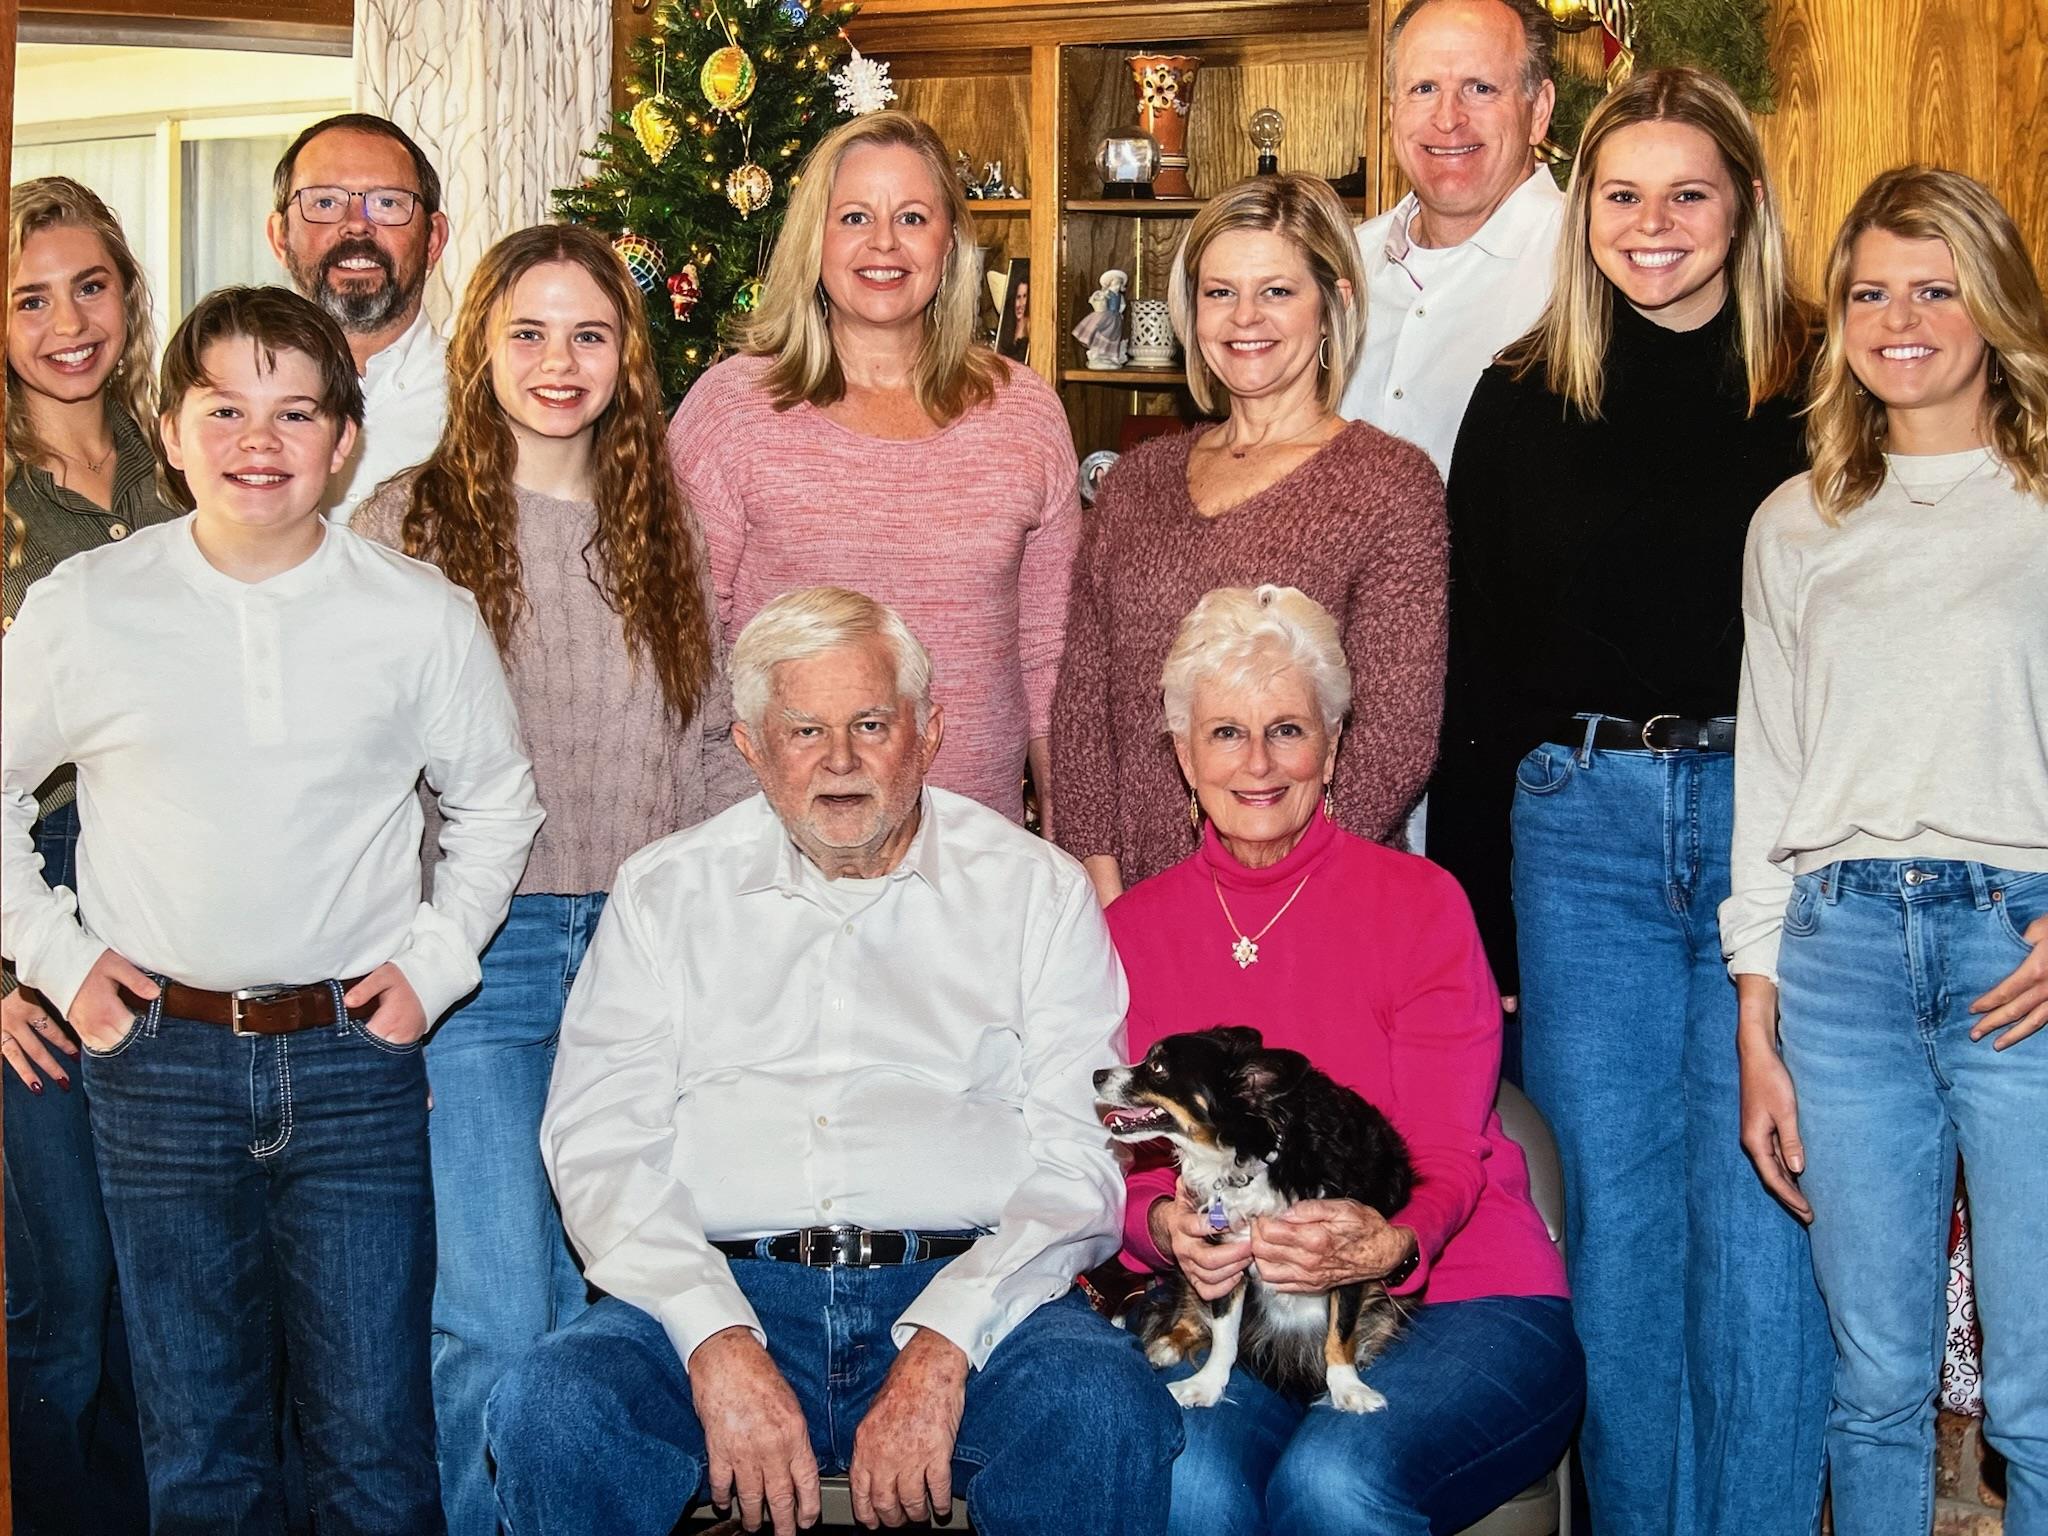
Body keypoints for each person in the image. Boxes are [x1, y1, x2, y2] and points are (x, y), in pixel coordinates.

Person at [0, 285, 543, 1533]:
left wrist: (434, 966)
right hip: (157, 1065)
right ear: (169, 430)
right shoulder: (86, 605)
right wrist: (57, 959)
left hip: (354, 1062)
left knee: (372, 1445)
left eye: (296, 412)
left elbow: (498, 805)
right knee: (201, 1447)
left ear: (343, 442)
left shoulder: (417, 612)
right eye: (225, 410)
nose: (260, 441)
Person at [485, 587, 1180, 1536]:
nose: (840, 760)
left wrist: (945, 1343)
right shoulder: (665, 892)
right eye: (805, 730)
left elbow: (1080, 1163)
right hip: (720, 1284)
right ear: (751, 748)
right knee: (554, 1410)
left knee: (1100, 1408)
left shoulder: (1035, 892)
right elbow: (600, 1147)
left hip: (971, 1284)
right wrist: (715, 1336)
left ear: (929, 733)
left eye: (871, 724)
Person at [1428, 69, 1832, 1534]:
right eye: (1621, 195)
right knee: (1608, 1231)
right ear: (1583, 210)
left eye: (1687, 194)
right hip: (1576, 834)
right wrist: (1483, 927)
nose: (1651, 224)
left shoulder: (1826, 386)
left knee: (1767, 1216)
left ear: (1744, 206)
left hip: (1771, 833)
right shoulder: (1520, 396)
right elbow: (1478, 679)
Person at [353, 222, 751, 1536]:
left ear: (628, 354)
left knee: (615, 1310)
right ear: (481, 346)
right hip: (483, 960)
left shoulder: (663, 528)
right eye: (527, 332)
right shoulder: (407, 521)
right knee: (495, 1309)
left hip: (640, 951)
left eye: (589, 334)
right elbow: (360, 763)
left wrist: (723, 928)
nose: (558, 362)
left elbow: (710, 742)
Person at [1107, 584, 1580, 1535]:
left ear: (1330, 748)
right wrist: (1162, 1226)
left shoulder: (1421, 903)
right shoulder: (1129, 930)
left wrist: (1391, 1239)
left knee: (1335, 1483)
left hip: (1459, 1293)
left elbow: (1446, 1151)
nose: (1257, 763)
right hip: (1239, 1314)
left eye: (1286, 730)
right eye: (1226, 733)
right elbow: (1120, 1160)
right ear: (1184, 755)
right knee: (1186, 1484)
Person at [1727, 166, 2048, 1536]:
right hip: (1838, 957)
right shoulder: (1794, 522)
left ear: (1996, 307)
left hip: (2018, 954)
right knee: (1872, 1388)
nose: (1897, 321)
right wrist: (1756, 1019)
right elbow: (1769, 774)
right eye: (1869, 293)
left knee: (2036, 1397)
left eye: (1934, 289)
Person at [667, 110, 1080, 828]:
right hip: (775, 841)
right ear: (815, 239)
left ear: (950, 243)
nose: (884, 243)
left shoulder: (1024, 413)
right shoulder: (733, 409)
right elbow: (688, 653)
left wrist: (1065, 847)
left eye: (912, 217)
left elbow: (1050, 661)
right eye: (854, 216)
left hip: (971, 844)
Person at [1051, 174, 1446, 906]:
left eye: (1277, 291)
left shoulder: (1390, 485)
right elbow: (1083, 707)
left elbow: (1394, 735)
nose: (1244, 318)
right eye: (1220, 292)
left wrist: (1276, 882)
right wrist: (1102, 883)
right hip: (1133, 900)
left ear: (1334, 304)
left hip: (1311, 902)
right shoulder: (1136, 482)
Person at [2, 173, 167, 1536]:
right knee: (67, 1289)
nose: (69, 324)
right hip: (33, 895)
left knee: (172, 1285)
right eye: (30, 299)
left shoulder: (189, 461)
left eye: (90, 286)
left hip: (176, 879)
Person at [1338, 0, 1565, 479]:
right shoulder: (1345, 259)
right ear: (1393, 110)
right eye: (1423, 89)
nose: (1447, 119)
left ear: (1539, 110)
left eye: (1480, 88)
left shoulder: (1589, 263)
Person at [267, 112, 449, 524]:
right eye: (325, 202)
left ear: (433, 240)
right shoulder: (227, 405)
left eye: (387, 203)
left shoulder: (493, 401)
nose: (356, 226)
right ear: (280, 237)